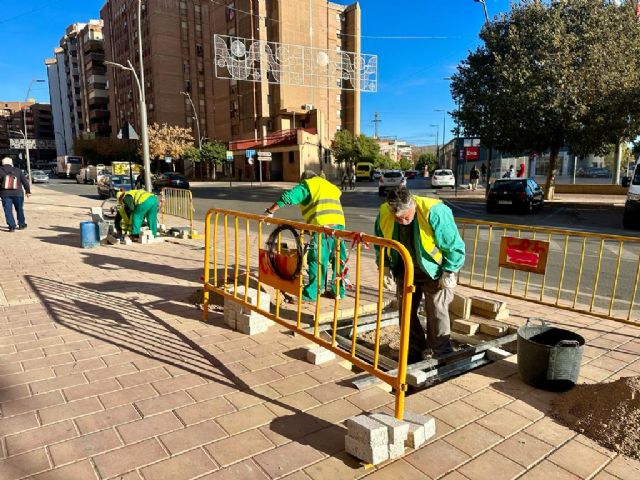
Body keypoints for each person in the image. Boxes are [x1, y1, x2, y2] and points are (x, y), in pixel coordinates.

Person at [374, 186, 465, 362]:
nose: (401, 221)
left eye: (406, 217)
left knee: (437, 311)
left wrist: (450, 271)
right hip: (405, 270)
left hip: (435, 271)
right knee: (406, 311)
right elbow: (380, 242)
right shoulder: (385, 212)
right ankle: (414, 351)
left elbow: (454, 245)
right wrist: (384, 266)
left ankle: (442, 353)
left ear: (413, 204)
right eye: (397, 219)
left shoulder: (435, 212)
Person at [265, 170, 347, 301]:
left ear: (305, 179)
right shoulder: (330, 186)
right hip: (339, 227)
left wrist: (270, 210)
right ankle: (339, 291)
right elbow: (322, 206)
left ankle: (312, 293)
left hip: (323, 228)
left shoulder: (308, 184)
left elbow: (289, 197)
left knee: (316, 259)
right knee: (338, 258)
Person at [0, 157, 31, 232]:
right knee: (19, 209)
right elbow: (25, 182)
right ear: (11, 163)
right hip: (18, 193)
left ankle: (12, 226)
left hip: (5, 194)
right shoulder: (18, 170)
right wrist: (28, 191)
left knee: (8, 210)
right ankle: (21, 224)